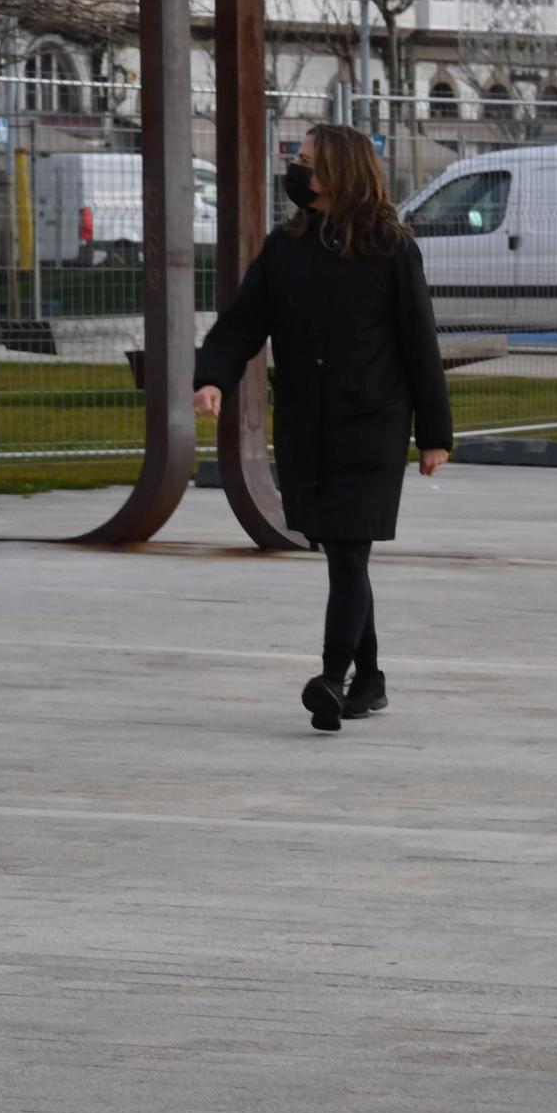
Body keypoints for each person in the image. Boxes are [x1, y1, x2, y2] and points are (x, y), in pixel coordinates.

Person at [192, 124, 453, 731]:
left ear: (340, 173)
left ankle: (333, 679)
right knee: (342, 551)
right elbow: (243, 322)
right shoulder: (287, 247)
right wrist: (214, 377)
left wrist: (434, 433)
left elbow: (421, 343)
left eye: (306, 162)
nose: (295, 170)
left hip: (371, 426)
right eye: (296, 159)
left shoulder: (392, 249)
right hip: (308, 427)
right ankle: (372, 680)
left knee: (348, 550)